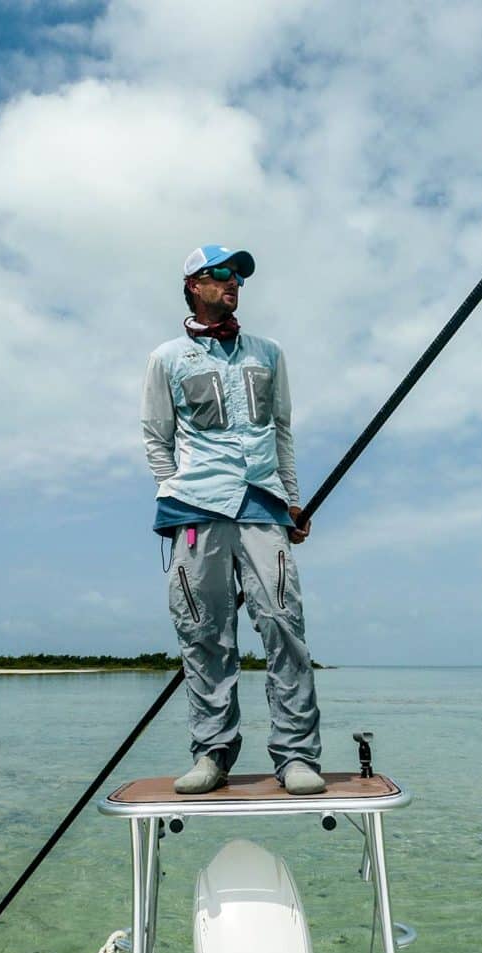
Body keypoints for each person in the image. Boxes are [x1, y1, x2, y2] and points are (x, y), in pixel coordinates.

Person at [141, 244, 324, 796]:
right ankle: (212, 753)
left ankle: (295, 755)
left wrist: (293, 500)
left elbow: (282, 431)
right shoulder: (167, 357)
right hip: (195, 509)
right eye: (220, 275)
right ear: (194, 284)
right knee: (204, 633)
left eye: (238, 275)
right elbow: (157, 438)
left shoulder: (269, 353)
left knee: (283, 625)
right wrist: (172, 490)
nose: (233, 282)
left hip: (263, 505)